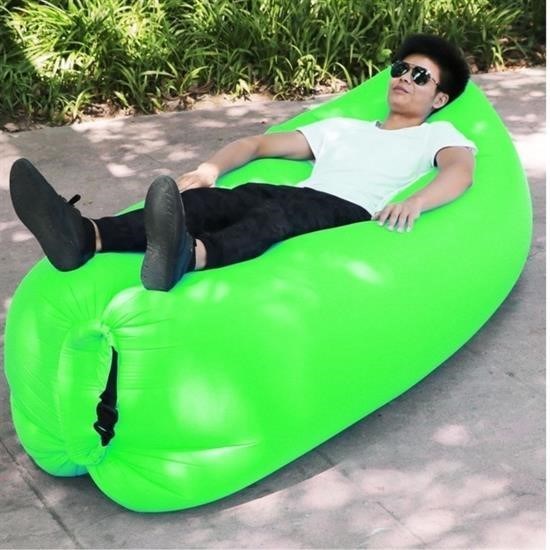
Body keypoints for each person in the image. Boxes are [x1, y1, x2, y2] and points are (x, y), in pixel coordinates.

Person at [9, 33, 476, 292]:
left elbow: (460, 171)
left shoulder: (436, 134)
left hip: (347, 209)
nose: (404, 78)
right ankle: (84, 235)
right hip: (299, 193)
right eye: (400, 69)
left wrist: (416, 201)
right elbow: (256, 145)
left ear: (439, 98)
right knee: (211, 203)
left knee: (274, 218)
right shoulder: (343, 128)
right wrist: (210, 170)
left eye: (420, 76)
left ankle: (189, 257)